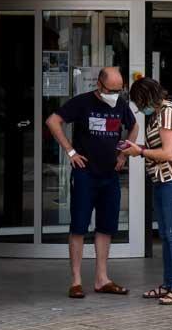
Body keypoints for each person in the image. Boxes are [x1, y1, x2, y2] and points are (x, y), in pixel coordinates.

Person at [46, 67, 139, 299]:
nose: (115, 95)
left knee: (106, 227)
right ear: (99, 85)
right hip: (85, 174)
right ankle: (76, 281)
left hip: (110, 175)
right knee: (79, 226)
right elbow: (53, 121)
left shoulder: (119, 104)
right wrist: (70, 152)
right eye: (111, 90)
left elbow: (134, 125)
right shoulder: (82, 103)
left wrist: (123, 154)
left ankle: (102, 278)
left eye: (120, 90)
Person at [123, 77, 172, 306]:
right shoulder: (160, 113)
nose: (138, 107)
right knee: (167, 236)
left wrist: (140, 152)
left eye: (138, 101)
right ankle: (169, 284)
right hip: (165, 180)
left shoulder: (168, 114)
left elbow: (168, 153)